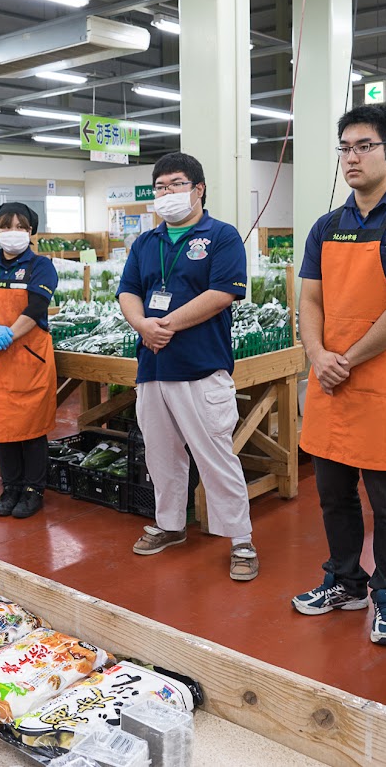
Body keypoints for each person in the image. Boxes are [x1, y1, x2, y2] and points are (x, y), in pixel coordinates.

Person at [291, 104, 386, 646]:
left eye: (363, 146)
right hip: (329, 381)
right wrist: (316, 353)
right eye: (345, 149)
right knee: (332, 495)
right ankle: (346, 580)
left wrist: (344, 359)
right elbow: (308, 298)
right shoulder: (327, 225)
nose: (351, 158)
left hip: (380, 383)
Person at [116, 152, 256, 582]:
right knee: (161, 457)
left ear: (198, 189)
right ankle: (170, 525)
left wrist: (167, 325)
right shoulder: (145, 243)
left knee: (215, 454)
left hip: (200, 367)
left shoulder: (222, 236)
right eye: (159, 187)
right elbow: (128, 292)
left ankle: (241, 540)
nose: (167, 194)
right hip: (153, 367)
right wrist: (142, 325)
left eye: (176, 184)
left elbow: (223, 292)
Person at [0, 202, 58, 519]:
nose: (12, 232)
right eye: (5, 226)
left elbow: (36, 308)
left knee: (30, 428)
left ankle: (33, 489)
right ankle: (11, 486)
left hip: (28, 358)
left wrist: (8, 335)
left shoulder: (41, 266)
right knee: (2, 427)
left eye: (20, 226)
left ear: (31, 232)